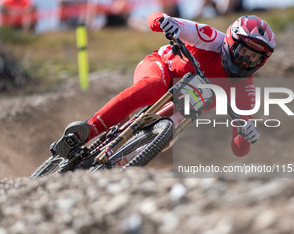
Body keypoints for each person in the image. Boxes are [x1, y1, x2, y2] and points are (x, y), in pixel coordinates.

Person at [55, 12, 276, 159]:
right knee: (152, 87)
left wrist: (246, 136)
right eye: (243, 52)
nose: (245, 61)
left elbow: (239, 148)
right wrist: (164, 22)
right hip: (162, 67)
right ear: (230, 41)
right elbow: (155, 18)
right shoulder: (210, 37)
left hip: (186, 102)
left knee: (169, 135)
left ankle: (112, 164)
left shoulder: (246, 90)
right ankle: (86, 130)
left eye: (254, 58)